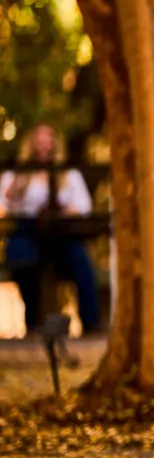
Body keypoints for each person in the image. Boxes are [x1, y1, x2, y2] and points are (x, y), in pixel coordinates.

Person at [0, 123, 101, 336]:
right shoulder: (18, 173)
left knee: (81, 260)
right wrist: (19, 184)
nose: (44, 145)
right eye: (39, 140)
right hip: (28, 231)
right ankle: (33, 323)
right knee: (22, 256)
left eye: (48, 139)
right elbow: (4, 204)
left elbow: (84, 206)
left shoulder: (68, 174)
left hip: (61, 233)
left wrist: (65, 211)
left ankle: (91, 324)